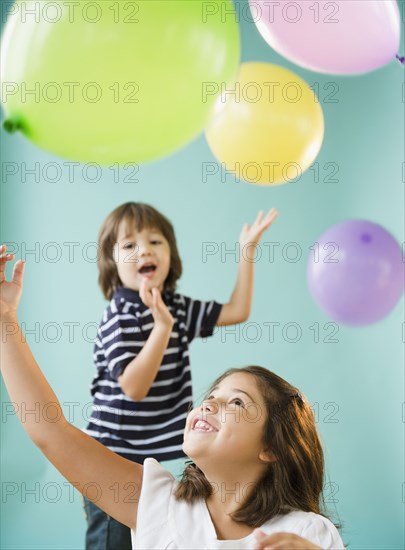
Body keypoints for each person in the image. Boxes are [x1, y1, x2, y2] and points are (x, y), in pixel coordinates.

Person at [0, 246, 345, 550]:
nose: (209, 404)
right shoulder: (156, 503)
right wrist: (5, 320)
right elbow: (51, 432)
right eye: (212, 395)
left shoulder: (307, 533)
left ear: (271, 447)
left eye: (237, 402)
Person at [83, 202, 278, 548]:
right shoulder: (120, 315)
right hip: (111, 456)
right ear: (112, 262)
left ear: (170, 253)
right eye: (129, 245)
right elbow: (134, 387)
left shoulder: (177, 307)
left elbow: (237, 310)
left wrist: (246, 252)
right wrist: (163, 327)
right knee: (114, 541)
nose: (144, 249)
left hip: (154, 456)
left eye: (155, 241)